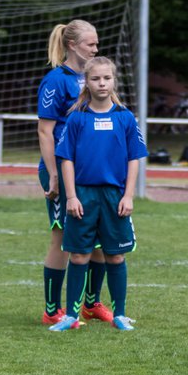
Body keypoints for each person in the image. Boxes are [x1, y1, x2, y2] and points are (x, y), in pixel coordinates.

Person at [49, 56, 147, 332]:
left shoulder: (125, 118)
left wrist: (128, 196)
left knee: (115, 256)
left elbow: (134, 159)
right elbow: (65, 159)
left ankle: (121, 314)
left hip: (114, 197)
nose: (101, 83)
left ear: (114, 81)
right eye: (95, 78)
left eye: (106, 78)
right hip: (83, 195)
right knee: (79, 256)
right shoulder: (77, 118)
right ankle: (71, 315)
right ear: (87, 83)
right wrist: (71, 196)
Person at [37, 20, 112, 327]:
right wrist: (53, 174)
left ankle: (91, 304)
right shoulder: (57, 80)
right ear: (72, 45)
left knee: (101, 239)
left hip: (94, 173)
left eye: (96, 44)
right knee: (62, 238)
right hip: (63, 172)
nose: (96, 49)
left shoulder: (97, 78)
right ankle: (52, 309)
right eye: (90, 44)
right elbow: (45, 130)